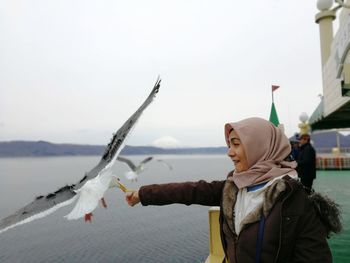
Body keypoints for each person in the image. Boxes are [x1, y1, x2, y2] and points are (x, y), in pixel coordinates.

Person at [125, 117, 340, 263]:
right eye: (229, 144)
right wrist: (142, 194)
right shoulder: (235, 188)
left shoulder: (293, 200)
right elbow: (190, 191)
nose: (230, 152)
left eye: (236, 144)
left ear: (259, 146)